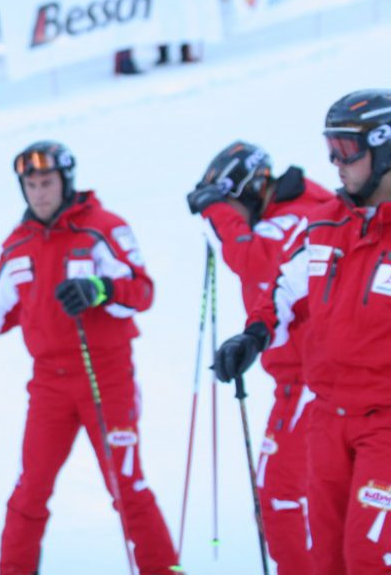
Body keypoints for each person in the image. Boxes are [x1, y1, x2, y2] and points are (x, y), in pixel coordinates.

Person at [0, 141, 179, 575]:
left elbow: (143, 290)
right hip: (49, 385)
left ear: (66, 182)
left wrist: (100, 290)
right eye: (31, 184)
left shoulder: (102, 229)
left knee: (128, 486)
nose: (40, 193)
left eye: (47, 182)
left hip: (106, 378)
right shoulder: (17, 245)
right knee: (29, 491)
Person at [214, 90, 391, 575]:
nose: (335, 163)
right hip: (328, 415)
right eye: (330, 148)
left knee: (370, 555)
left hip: (386, 423)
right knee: (327, 556)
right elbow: (283, 289)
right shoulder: (327, 225)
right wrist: (252, 335)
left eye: (347, 150)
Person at [187, 141, 332, 573]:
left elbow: (257, 262)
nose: (229, 210)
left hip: (317, 378)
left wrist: (216, 211)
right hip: (299, 376)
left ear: (251, 188)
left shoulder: (300, 214)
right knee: (301, 496)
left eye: (232, 199)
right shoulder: (282, 214)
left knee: (280, 495)